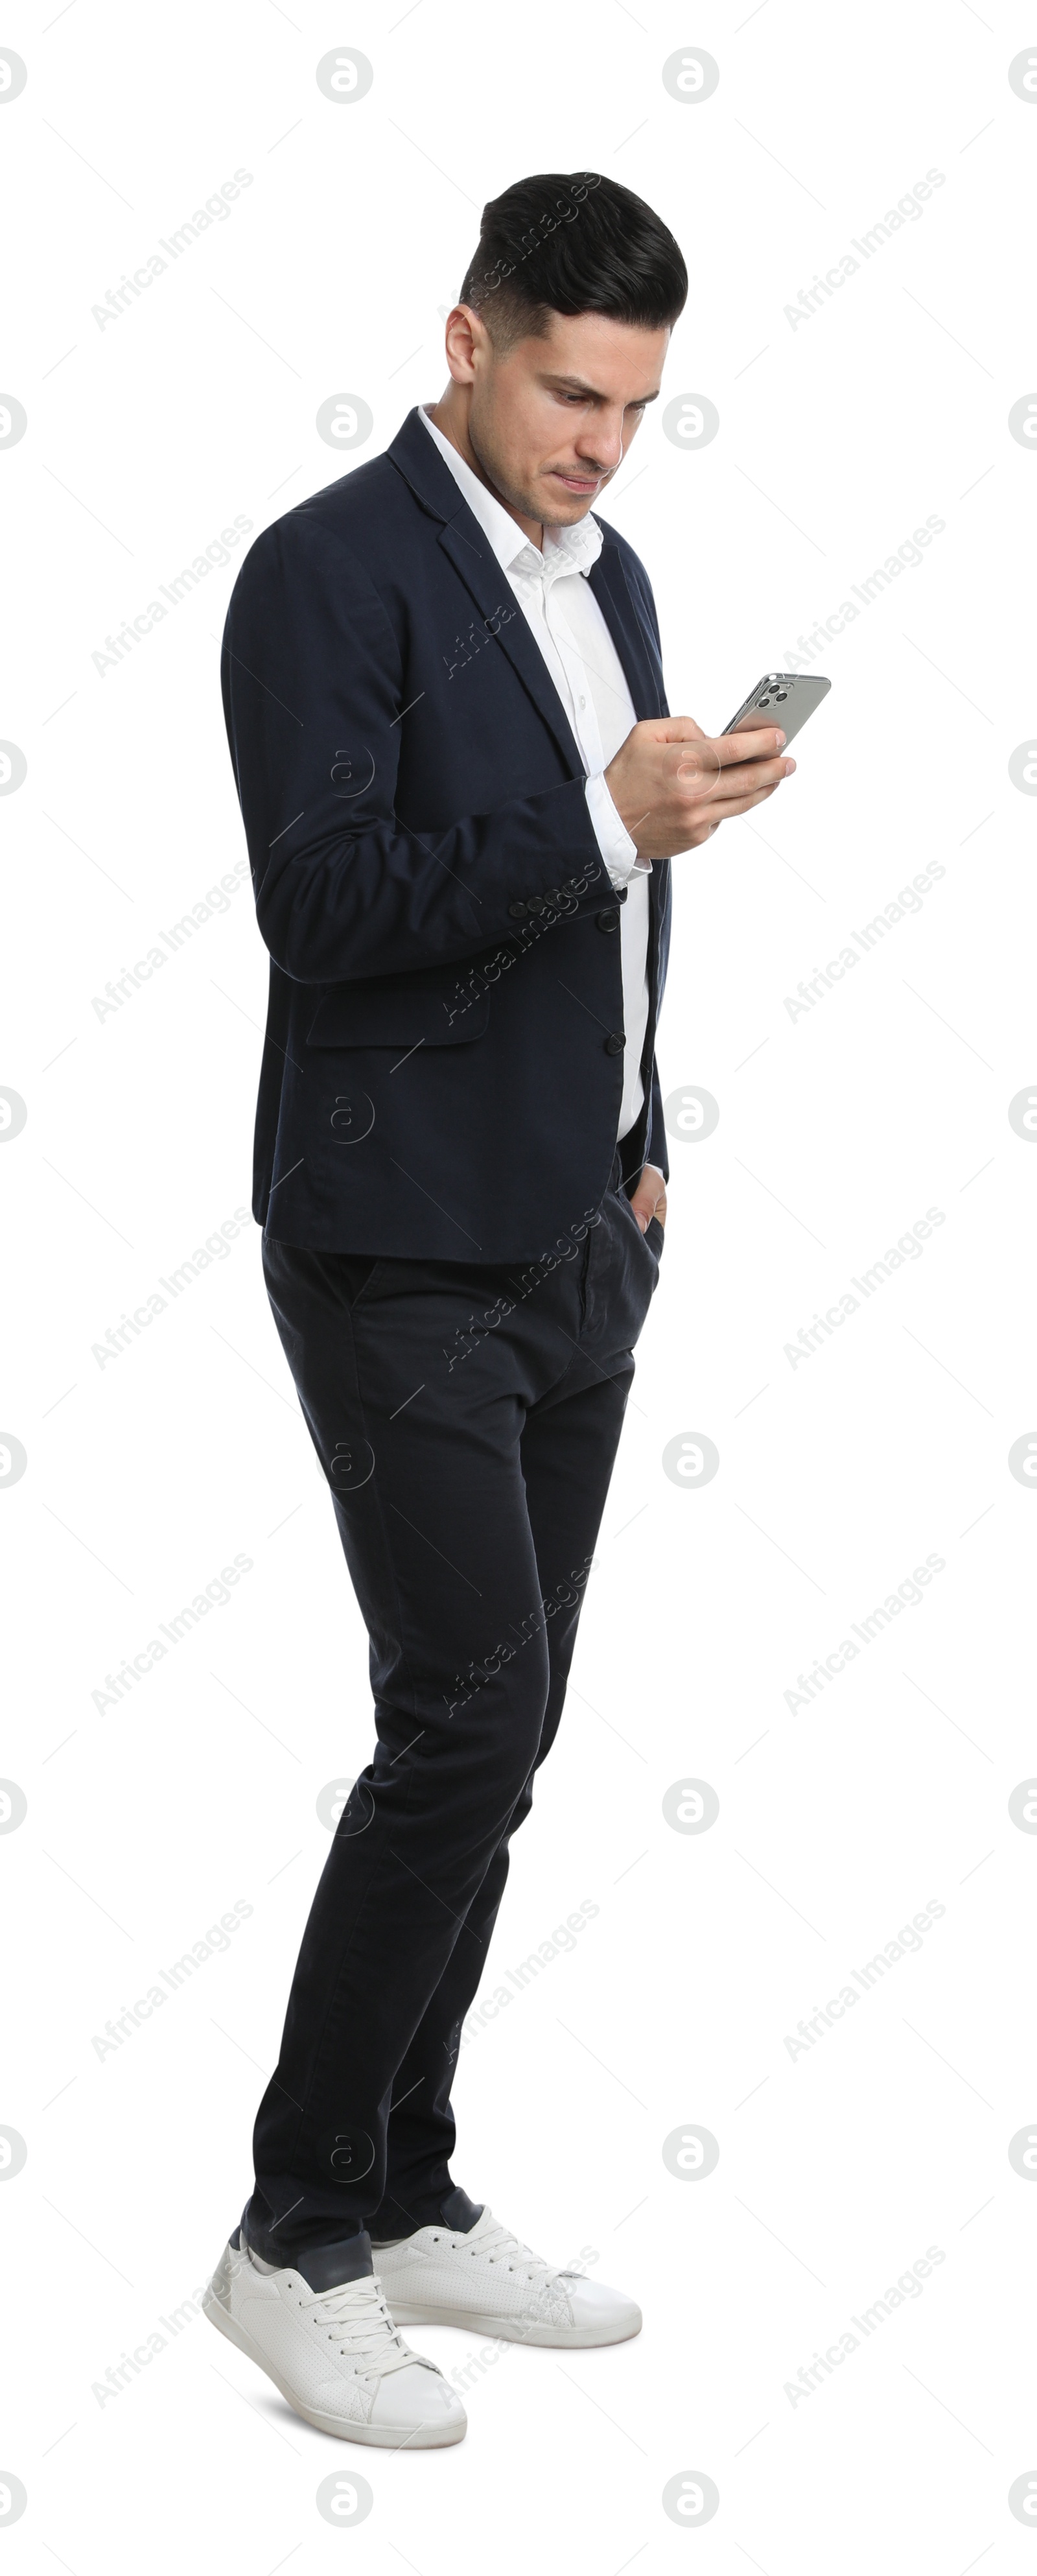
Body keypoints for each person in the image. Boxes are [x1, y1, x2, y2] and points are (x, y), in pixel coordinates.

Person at [202, 167, 793, 2449]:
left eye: (636, 409)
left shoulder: (606, 573)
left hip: (576, 1228)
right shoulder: (322, 572)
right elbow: (326, 905)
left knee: (510, 1731)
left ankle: (410, 2184)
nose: (602, 448)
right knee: (465, 1712)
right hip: (393, 1236)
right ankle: (291, 2232)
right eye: (569, 392)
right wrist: (604, 807)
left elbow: (610, 891)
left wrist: (644, 1126)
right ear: (466, 340)